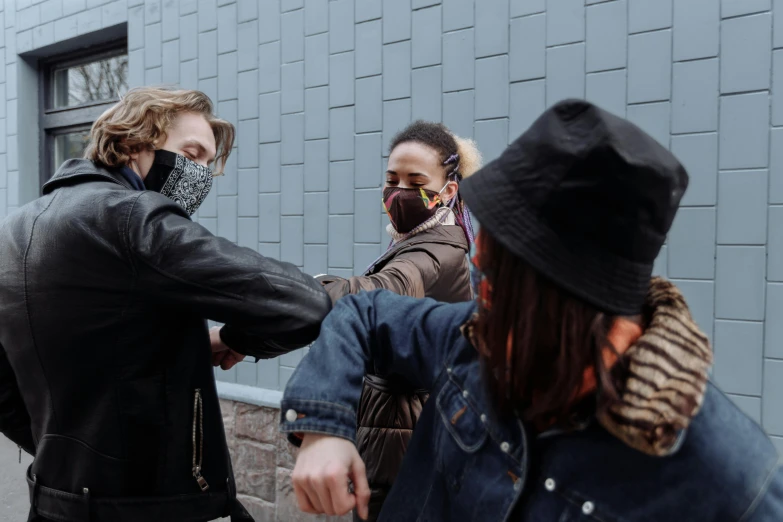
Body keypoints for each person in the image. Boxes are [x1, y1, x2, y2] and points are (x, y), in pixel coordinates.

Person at [279, 100, 783, 521]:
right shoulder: (476, 342)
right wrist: (324, 424)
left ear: (568, 298)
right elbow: (364, 314)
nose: (475, 262)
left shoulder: (730, 483)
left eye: (497, 267)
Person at [0, 87, 331, 522]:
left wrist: (64, 451)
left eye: (208, 165)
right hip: (153, 504)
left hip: (54, 500)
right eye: (191, 153)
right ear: (135, 143)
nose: (199, 174)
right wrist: (235, 336)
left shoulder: (13, 230)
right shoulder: (133, 217)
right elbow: (303, 302)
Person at [313, 120, 480, 521]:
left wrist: (304, 288)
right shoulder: (424, 238)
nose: (400, 192)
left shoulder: (434, 253)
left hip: (403, 432)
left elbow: (383, 291)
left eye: (415, 181)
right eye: (393, 179)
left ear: (447, 191)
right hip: (396, 425)